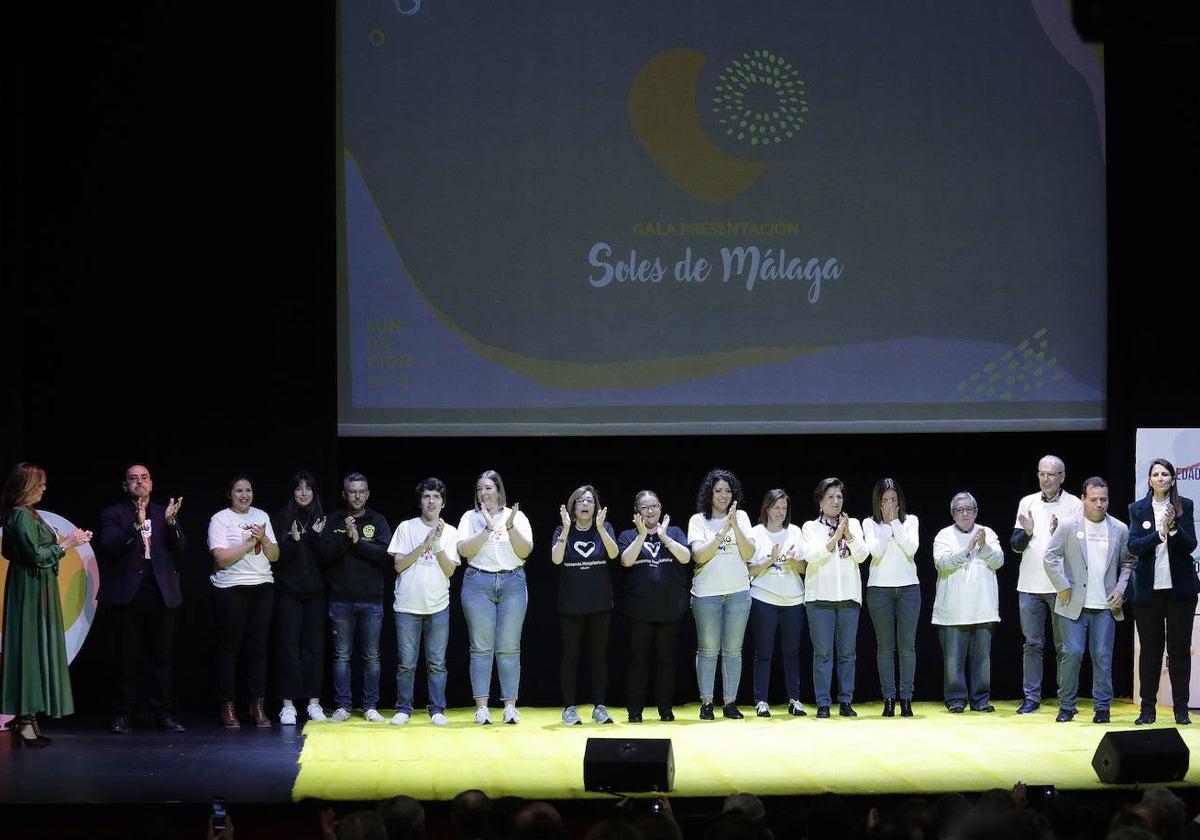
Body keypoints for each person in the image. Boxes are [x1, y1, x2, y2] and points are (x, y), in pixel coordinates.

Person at [1, 462, 92, 747]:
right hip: (29, 588)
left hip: (35, 586)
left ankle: (27, 719)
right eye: (39, 483)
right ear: (25, 486)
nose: (44, 488)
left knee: (35, 649)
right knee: (27, 650)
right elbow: (36, 556)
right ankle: (24, 722)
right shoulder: (21, 516)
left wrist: (68, 542)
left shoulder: (30, 515)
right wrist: (67, 544)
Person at [96, 463, 186, 734]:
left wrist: (172, 523)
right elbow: (110, 546)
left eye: (143, 477)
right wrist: (135, 525)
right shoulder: (113, 513)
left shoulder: (164, 512)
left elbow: (180, 547)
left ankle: (163, 712)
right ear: (125, 486)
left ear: (151, 483)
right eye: (133, 479)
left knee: (162, 658)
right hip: (128, 594)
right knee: (126, 659)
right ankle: (124, 714)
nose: (139, 482)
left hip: (161, 593)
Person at [1042, 476, 1131, 723]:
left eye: (1104, 499)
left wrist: (1121, 589)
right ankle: (1067, 706)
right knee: (1072, 653)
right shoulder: (1069, 526)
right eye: (1094, 500)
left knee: (1102, 656)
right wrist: (1062, 585)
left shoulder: (1119, 528)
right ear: (1083, 499)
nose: (1099, 504)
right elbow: (1050, 556)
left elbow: (1128, 562)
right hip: (1073, 604)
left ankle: (1102, 707)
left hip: (1104, 606)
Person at [457, 469, 533, 725]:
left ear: (499, 490)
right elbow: (464, 550)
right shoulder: (470, 517)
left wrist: (508, 525)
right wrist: (487, 529)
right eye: (479, 489)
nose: (483, 493)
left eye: (488, 488)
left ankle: (510, 706)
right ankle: (482, 708)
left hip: (512, 581)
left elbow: (525, 552)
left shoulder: (516, 516)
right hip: (479, 582)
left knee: (509, 647)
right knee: (480, 648)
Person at [1127, 457, 1199, 726]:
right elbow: (1134, 545)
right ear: (1149, 480)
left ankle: (1181, 709)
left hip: (1180, 592)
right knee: (1150, 651)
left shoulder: (1184, 506)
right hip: (1148, 593)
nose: (1160, 478)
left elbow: (1190, 544)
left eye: (1165, 474)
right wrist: (1159, 534)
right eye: (1156, 474)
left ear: (1172, 479)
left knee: (1179, 650)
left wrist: (1173, 529)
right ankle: (1148, 709)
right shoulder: (1138, 509)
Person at [1010, 454, 1082, 715]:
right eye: (1042, 473)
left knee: (1064, 646)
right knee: (1032, 643)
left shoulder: (1074, 504)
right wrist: (1028, 532)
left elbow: (1079, 548)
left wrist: (1058, 534)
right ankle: (1031, 698)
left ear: (1062, 476)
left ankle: (1066, 700)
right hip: (1029, 586)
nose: (1045, 479)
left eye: (1051, 474)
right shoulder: (1027, 502)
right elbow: (1015, 546)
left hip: (1060, 586)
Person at [319, 471, 393, 723]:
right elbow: (324, 555)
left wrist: (357, 540)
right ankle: (343, 706)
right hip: (340, 599)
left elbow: (384, 554)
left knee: (371, 656)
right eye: (352, 491)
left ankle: (370, 705)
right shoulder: (333, 520)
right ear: (344, 494)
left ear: (368, 493)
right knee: (342, 656)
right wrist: (346, 541)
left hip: (372, 599)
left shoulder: (378, 520)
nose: (357, 495)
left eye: (361, 491)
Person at [386, 477, 460, 726]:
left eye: (436, 497)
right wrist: (423, 544)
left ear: (443, 503)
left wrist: (436, 543)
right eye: (427, 496)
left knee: (437, 663)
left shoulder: (450, 532)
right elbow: (398, 565)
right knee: (406, 663)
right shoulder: (406, 527)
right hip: (407, 606)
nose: (431, 501)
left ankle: (437, 709)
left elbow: (450, 570)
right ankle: (403, 709)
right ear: (420, 501)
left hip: (438, 606)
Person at [207, 472, 279, 728]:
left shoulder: (262, 516)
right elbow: (221, 558)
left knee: (258, 649)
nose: (244, 495)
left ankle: (257, 706)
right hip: (230, 589)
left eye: (248, 490)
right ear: (230, 494)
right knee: (229, 648)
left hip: (262, 587)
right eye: (239, 491)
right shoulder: (221, 519)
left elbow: (274, 556)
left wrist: (266, 539)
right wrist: (250, 542)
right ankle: (228, 707)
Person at [687, 468, 756, 720]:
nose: (723, 495)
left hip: (738, 592)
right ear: (710, 494)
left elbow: (749, 554)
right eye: (718, 491)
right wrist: (722, 530)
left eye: (728, 491)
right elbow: (699, 555)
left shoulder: (743, 518)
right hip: (707, 594)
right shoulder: (698, 520)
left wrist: (735, 525)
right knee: (707, 650)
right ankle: (707, 702)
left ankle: (729, 702)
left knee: (733, 650)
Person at [617, 489, 691, 723]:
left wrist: (665, 537)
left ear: (661, 509)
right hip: (639, 610)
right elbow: (626, 561)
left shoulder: (675, 532)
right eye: (645, 508)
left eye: (654, 506)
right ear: (637, 512)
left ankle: (665, 709)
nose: (650, 511)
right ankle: (635, 711)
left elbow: (686, 558)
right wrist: (641, 535)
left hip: (669, 610)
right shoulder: (628, 535)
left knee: (666, 663)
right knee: (637, 662)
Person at [800, 477, 869, 718]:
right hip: (819, 598)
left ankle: (846, 701)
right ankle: (822, 703)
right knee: (823, 653)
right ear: (820, 502)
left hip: (848, 596)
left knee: (848, 653)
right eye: (830, 497)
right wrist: (834, 537)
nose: (836, 501)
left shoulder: (855, 524)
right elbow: (811, 556)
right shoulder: (810, 527)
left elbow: (862, 555)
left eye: (839, 497)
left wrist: (847, 534)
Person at [552, 483, 619, 726]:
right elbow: (556, 559)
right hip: (571, 605)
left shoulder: (605, 527)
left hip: (600, 604)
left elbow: (614, 554)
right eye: (580, 500)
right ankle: (569, 708)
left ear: (595, 507)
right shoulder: (563, 529)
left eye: (589, 501)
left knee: (598, 656)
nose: (585, 504)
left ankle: (599, 707)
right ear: (572, 506)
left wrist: (601, 530)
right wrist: (566, 531)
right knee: (570, 656)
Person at [931, 491, 1003, 713]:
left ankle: (981, 700)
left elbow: (999, 561)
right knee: (953, 660)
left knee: (982, 660)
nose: (965, 514)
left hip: (983, 608)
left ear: (976, 512)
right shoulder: (943, 536)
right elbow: (942, 563)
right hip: (953, 610)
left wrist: (984, 546)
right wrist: (968, 549)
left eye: (969, 509)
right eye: (960, 510)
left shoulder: (987, 533)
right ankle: (955, 700)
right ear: (953, 514)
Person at [270, 469, 329, 725]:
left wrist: (315, 537)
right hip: (287, 592)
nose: (303, 493)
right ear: (292, 492)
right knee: (288, 648)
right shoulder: (281, 518)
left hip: (315, 592)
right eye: (298, 488)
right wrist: (293, 541)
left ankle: (314, 703)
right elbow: (276, 559)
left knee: (314, 648)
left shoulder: (322, 518)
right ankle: (288, 705)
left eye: (308, 488)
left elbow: (328, 558)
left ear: (313, 492)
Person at [746, 488, 808, 718]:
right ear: (767, 508)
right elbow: (748, 570)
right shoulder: (755, 533)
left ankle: (795, 699)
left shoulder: (795, 532)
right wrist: (769, 560)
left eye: (784, 508)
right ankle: (761, 700)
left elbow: (805, 569)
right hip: (763, 598)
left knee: (792, 652)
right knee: (763, 652)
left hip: (793, 599)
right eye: (776, 507)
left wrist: (792, 561)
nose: (780, 512)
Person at [862, 477, 921, 718]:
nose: (889, 504)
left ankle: (906, 699)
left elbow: (911, 548)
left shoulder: (911, 521)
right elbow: (874, 551)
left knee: (907, 647)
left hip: (908, 589)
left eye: (893, 500)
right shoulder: (868, 523)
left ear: (900, 501)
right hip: (879, 590)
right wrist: (886, 525)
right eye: (884, 500)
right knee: (884, 647)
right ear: (877, 502)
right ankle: (888, 698)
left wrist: (895, 522)